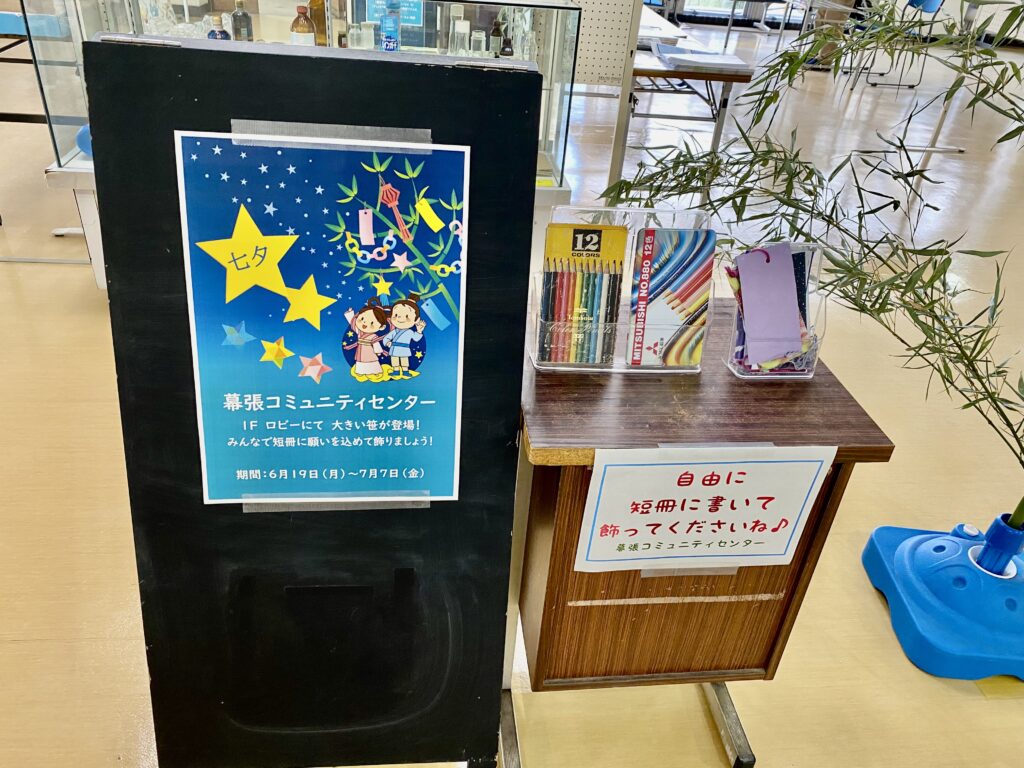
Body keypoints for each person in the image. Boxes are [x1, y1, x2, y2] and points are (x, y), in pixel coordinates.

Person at [380, 293, 427, 379]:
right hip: (394, 348)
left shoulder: (409, 332)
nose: (400, 318)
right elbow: (387, 337)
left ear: (416, 320)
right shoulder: (395, 331)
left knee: (404, 361)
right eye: (396, 315)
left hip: (404, 349)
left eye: (406, 316)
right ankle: (396, 371)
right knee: (394, 361)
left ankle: (405, 371)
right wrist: (387, 343)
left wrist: (419, 331)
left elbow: (416, 338)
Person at [343, 298, 390, 382]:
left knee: (371, 360)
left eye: (372, 323)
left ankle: (375, 371)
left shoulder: (373, 336)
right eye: (361, 319)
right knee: (360, 360)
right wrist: (350, 314)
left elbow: (376, 344)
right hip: (360, 349)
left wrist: (378, 351)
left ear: (381, 327)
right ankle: (361, 371)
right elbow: (353, 323)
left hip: (369, 350)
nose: (364, 323)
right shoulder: (360, 332)